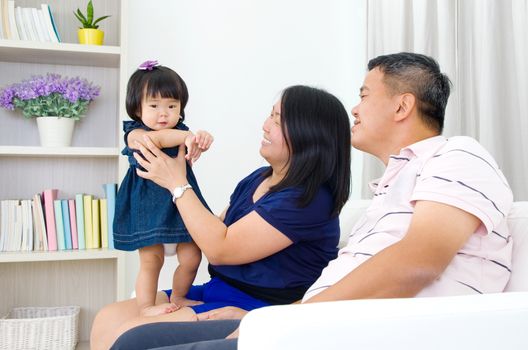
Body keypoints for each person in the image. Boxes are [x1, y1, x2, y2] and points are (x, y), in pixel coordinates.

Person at [109, 52, 513, 350]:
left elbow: (417, 262)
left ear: (402, 105)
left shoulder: (458, 155)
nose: (354, 108)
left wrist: (282, 320)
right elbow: (345, 281)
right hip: (314, 322)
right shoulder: (389, 190)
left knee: (133, 344)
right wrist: (265, 319)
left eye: (365, 95)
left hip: (350, 331)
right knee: (137, 337)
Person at [91, 85, 352, 350]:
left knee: (128, 333)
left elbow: (219, 250)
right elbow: (216, 227)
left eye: (277, 119)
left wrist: (177, 183)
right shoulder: (258, 178)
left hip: (254, 304)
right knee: (108, 318)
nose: (264, 125)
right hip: (217, 288)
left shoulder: (307, 200)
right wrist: (169, 190)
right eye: (269, 115)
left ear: (309, 134)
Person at [113, 60, 214, 318]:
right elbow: (155, 140)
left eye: (172, 106)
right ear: (137, 108)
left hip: (179, 205)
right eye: (154, 106)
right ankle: (145, 306)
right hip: (146, 205)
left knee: (192, 257)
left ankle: (179, 295)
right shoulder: (134, 133)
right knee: (151, 261)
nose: (163, 114)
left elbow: (185, 141)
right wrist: (186, 137)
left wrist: (200, 140)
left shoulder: (181, 132)